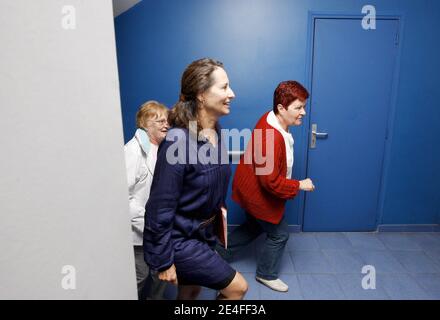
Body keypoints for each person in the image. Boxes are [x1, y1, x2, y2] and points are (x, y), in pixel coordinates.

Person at [143, 58, 248, 300]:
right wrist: (163, 261)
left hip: (203, 234)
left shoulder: (216, 130)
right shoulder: (177, 141)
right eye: (223, 87)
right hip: (180, 240)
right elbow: (159, 208)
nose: (231, 93)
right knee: (237, 288)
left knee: (190, 292)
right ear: (201, 94)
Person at [216, 81, 315, 292]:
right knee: (280, 234)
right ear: (281, 108)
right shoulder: (270, 138)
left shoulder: (271, 118)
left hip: (250, 188)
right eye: (298, 107)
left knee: (254, 226)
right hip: (257, 194)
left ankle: (219, 253)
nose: (303, 112)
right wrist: (300, 185)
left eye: (303, 107)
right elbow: (270, 182)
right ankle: (266, 274)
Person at [124, 100, 169, 299]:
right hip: (141, 229)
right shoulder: (132, 151)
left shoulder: (160, 149)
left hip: (159, 229)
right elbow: (122, 197)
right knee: (140, 276)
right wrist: (146, 221)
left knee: (161, 275)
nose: (165, 125)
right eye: (159, 121)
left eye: (166, 121)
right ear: (144, 124)